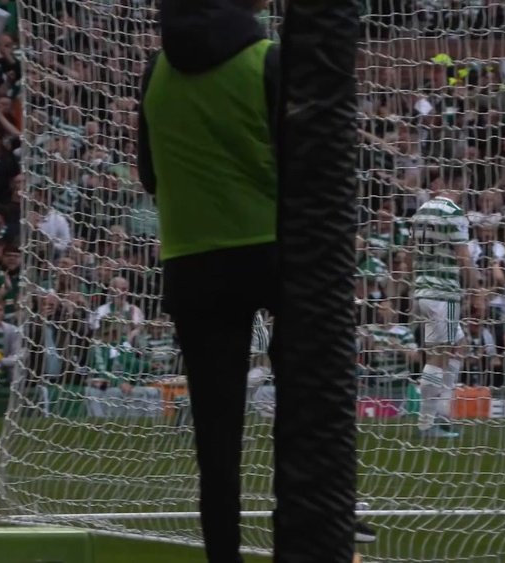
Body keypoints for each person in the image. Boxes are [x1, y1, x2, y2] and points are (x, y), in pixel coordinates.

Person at [136, 0, 364, 560]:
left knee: (215, 442)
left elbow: (147, 171)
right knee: (304, 411)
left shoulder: (156, 69)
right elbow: (305, 168)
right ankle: (314, 538)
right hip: (272, 256)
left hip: (190, 261)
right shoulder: (268, 61)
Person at [411, 166, 476, 439]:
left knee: (459, 345)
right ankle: (427, 423)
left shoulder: (421, 211)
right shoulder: (454, 213)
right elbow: (463, 258)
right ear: (458, 183)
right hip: (443, 291)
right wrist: (478, 287)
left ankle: (443, 412)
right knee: (438, 356)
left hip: (423, 289)